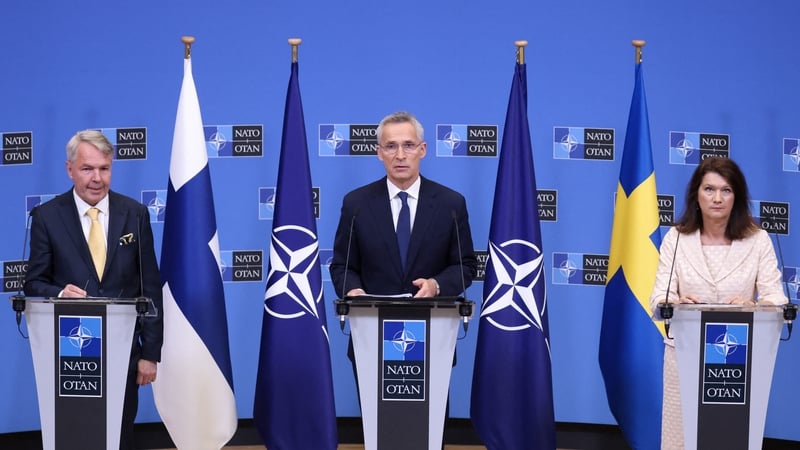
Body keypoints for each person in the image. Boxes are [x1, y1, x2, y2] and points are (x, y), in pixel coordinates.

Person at [24, 130, 163, 450]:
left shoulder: (135, 214)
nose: (97, 178)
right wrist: (60, 294)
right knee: (76, 436)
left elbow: (150, 287)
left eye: (104, 168)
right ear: (69, 169)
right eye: (87, 169)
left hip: (124, 351)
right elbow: (33, 282)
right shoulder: (46, 217)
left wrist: (150, 354)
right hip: (71, 352)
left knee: (119, 435)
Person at [649, 156, 787, 450]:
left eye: (726, 190)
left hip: (735, 356)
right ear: (696, 195)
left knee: (728, 439)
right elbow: (659, 299)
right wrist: (677, 302)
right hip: (684, 355)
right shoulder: (675, 239)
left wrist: (753, 305)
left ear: (736, 197)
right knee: (681, 441)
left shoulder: (758, 240)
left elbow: (777, 299)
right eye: (709, 189)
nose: (717, 198)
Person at [330, 111, 477, 299]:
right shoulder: (356, 204)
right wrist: (354, 292)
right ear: (379, 152)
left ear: (422, 150)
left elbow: (465, 265)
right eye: (391, 146)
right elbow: (342, 266)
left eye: (408, 145)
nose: (400, 155)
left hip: (432, 320)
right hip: (371, 319)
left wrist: (436, 285)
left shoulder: (450, 204)